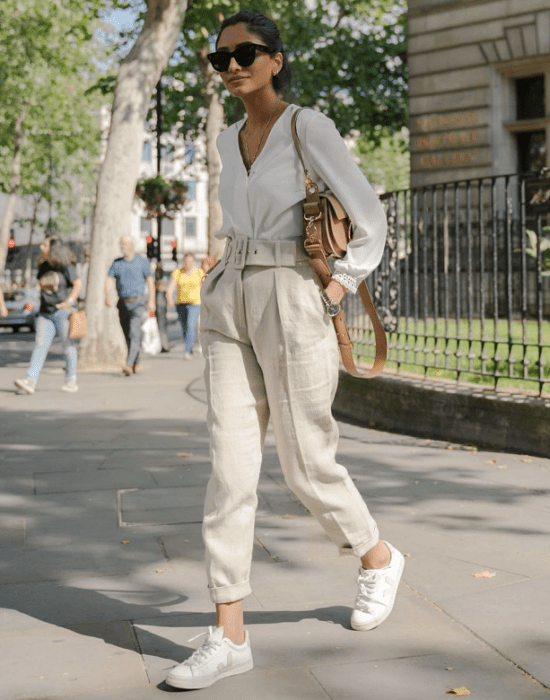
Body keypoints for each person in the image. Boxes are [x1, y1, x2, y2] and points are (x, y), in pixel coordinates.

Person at [165, 10, 404, 692]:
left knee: (306, 462)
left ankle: (377, 557)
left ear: (275, 59)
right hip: (227, 297)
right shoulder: (224, 137)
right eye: (222, 59)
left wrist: (339, 288)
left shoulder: (308, 126)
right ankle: (228, 634)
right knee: (230, 471)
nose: (233, 64)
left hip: (294, 296)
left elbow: (369, 214)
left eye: (247, 53)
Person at [14, 236, 81, 394]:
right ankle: (30, 380)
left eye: (45, 245)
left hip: (63, 311)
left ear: (53, 248)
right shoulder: (43, 266)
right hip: (46, 312)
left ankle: (71, 380)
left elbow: (77, 283)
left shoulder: (65, 266)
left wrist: (69, 301)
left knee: (68, 346)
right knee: (40, 345)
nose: (41, 247)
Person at [105, 235, 156, 375]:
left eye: (125, 243)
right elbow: (109, 279)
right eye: (121, 243)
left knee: (134, 333)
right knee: (127, 334)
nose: (122, 246)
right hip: (122, 303)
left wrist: (151, 301)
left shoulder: (142, 262)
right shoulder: (117, 263)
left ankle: (128, 364)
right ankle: (135, 359)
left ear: (132, 245)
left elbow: (150, 282)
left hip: (138, 302)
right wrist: (107, 295)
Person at [165, 253, 204, 359]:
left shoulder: (199, 272)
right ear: (184, 262)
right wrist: (169, 297)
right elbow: (170, 287)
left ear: (194, 262)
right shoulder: (178, 272)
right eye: (186, 262)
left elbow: (204, 286)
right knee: (185, 328)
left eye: (191, 262)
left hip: (195, 304)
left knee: (191, 325)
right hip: (181, 303)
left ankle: (187, 350)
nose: (188, 264)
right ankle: (189, 347)